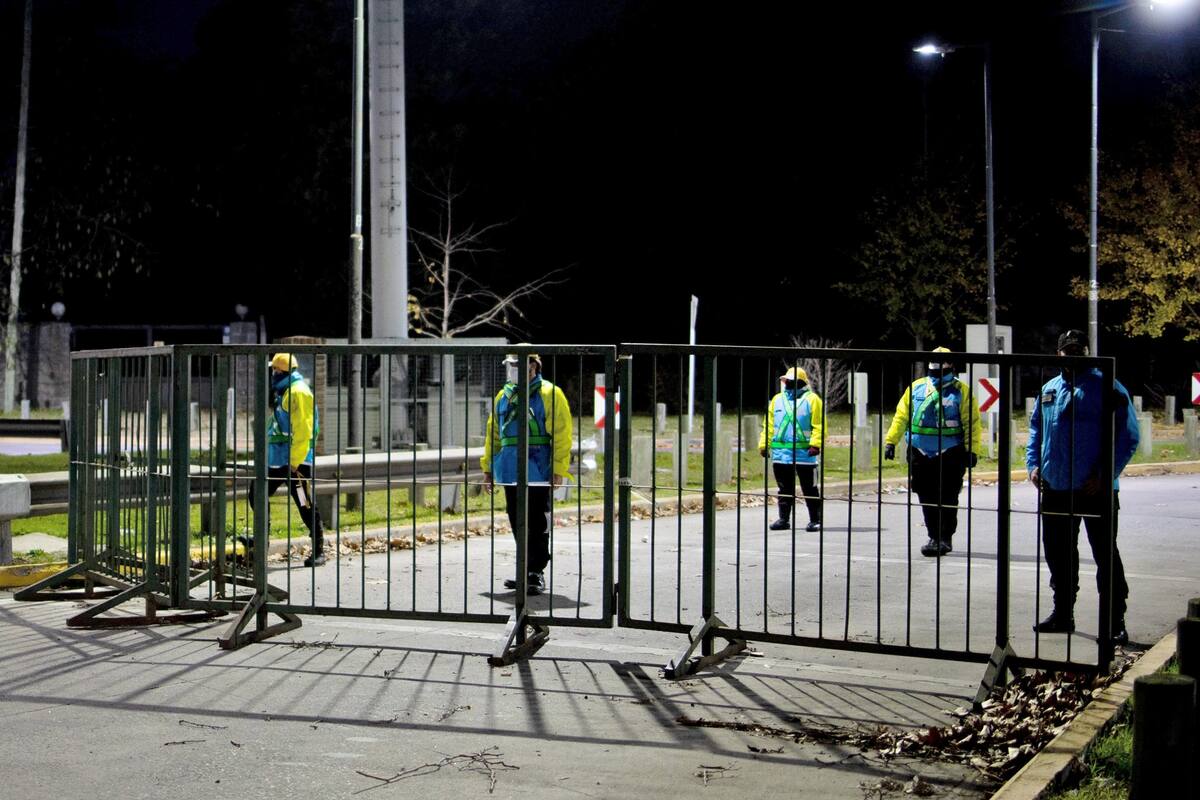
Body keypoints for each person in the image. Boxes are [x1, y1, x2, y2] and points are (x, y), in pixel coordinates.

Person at [1026, 329, 1138, 645]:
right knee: (1058, 555)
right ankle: (1063, 613)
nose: (1073, 355)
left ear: (1087, 351)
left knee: (1106, 556)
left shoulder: (1109, 387)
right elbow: (1036, 429)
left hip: (1096, 490)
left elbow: (1128, 436)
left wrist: (1105, 473)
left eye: (1079, 349)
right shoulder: (1049, 389)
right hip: (1056, 486)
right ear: (1059, 354)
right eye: (1068, 350)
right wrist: (1033, 465)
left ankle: (1114, 620)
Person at [481, 350, 572, 595]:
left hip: (538, 467)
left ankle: (535, 571)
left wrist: (558, 468)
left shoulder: (550, 394)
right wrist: (488, 468)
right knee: (517, 518)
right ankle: (525, 570)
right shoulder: (504, 395)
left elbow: (562, 433)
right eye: (510, 364)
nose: (513, 369)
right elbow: (495, 434)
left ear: (533, 366)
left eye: (517, 364)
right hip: (510, 468)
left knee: (537, 521)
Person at [884, 346, 982, 557]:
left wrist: (972, 451)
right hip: (920, 452)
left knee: (948, 496)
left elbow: (972, 422)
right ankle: (933, 535)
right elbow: (901, 416)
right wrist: (890, 441)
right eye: (934, 371)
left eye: (942, 371)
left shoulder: (961, 392)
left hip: (950, 452)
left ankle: (945, 537)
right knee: (925, 495)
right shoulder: (916, 388)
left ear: (951, 368)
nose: (937, 376)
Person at [249, 353, 326, 567]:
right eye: (273, 370)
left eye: (275, 370)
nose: (273, 374)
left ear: (284, 372)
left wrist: (295, 461)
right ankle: (261, 540)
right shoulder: (284, 391)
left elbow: (304, 430)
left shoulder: (299, 392)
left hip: (296, 462)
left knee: (304, 502)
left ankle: (319, 549)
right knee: (257, 493)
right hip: (277, 459)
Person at [758, 367, 823, 532]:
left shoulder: (813, 400)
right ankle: (784, 519)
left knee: (810, 488)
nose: (786, 383)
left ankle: (815, 520)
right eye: (786, 380)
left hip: (806, 454)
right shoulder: (777, 400)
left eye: (790, 381)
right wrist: (764, 444)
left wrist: (816, 444)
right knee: (784, 489)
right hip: (781, 454)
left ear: (800, 382)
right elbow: (769, 425)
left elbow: (819, 425)